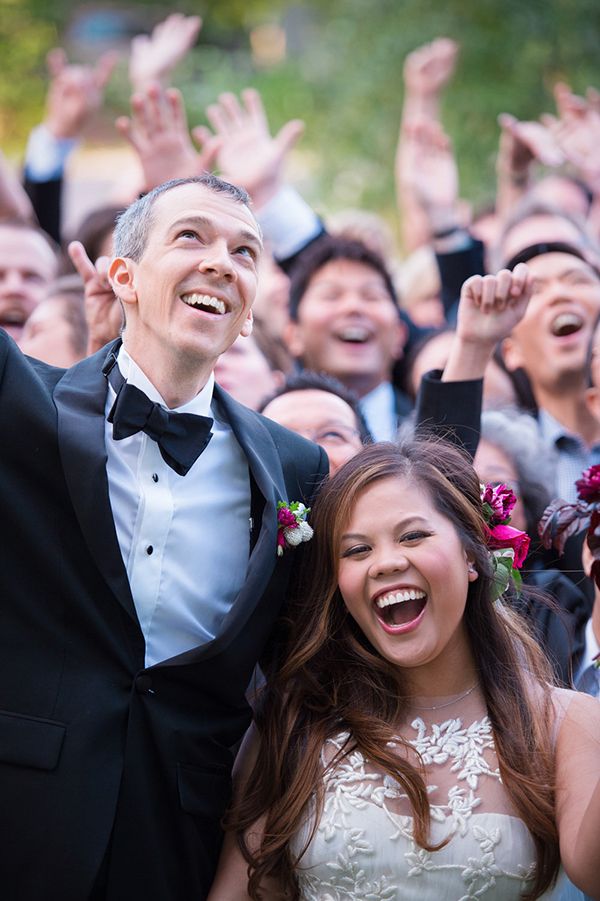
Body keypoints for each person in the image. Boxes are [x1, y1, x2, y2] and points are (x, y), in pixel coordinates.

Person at [0, 173, 328, 900]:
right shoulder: (18, 401)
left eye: (245, 252)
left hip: (185, 833)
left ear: (247, 314)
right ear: (124, 277)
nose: (221, 261)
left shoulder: (297, 468)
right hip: (20, 812)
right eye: (192, 237)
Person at [208, 439, 600, 901]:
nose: (387, 562)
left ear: (473, 553)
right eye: (356, 551)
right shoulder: (294, 719)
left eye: (413, 536)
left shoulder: (566, 722)